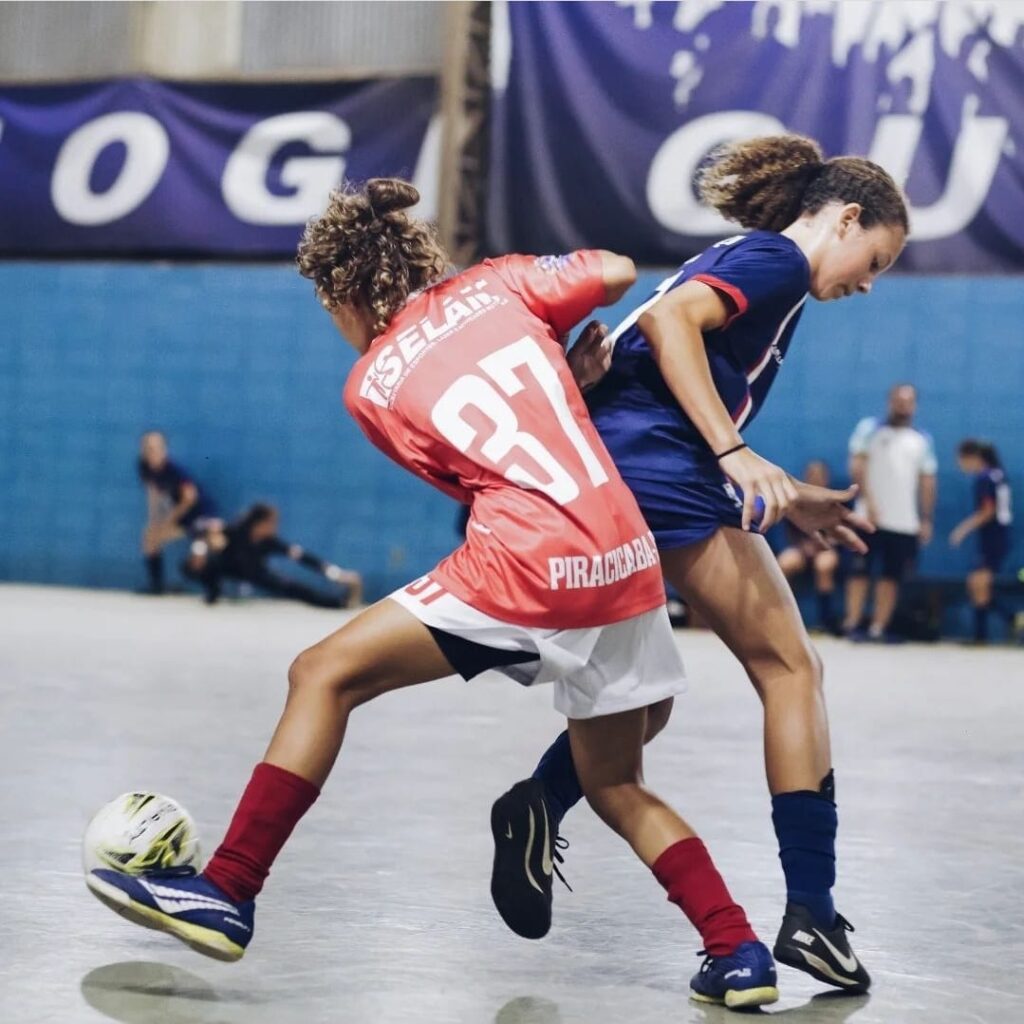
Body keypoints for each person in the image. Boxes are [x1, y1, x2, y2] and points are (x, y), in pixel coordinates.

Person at [87, 179, 783, 1010]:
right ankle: (738, 950)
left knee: (324, 674)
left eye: (328, 308)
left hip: (527, 559)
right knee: (615, 781)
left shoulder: (369, 387)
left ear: (346, 292)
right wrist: (563, 361)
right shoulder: (500, 283)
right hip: (625, 553)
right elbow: (616, 269)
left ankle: (230, 890)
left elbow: (471, 476)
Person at [494, 134, 907, 994]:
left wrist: (790, 491)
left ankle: (535, 805)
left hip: (622, 474)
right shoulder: (778, 262)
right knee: (791, 668)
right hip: (662, 477)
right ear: (846, 217)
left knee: (646, 710)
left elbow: (647, 366)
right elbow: (677, 333)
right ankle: (813, 915)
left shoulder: (735, 262)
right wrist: (735, 449)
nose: (869, 281)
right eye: (876, 259)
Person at [842, 384, 937, 641]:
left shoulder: (922, 440)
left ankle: (878, 628)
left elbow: (927, 480)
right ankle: (852, 624)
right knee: (859, 571)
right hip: (868, 517)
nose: (903, 405)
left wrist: (926, 518)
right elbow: (857, 465)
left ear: (915, 405)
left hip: (904, 521)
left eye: (908, 401)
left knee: (891, 576)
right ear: (890, 401)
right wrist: (868, 501)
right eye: (898, 400)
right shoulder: (869, 429)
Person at [184, 503, 363, 609]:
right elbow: (199, 527)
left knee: (293, 587)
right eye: (272, 523)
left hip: (255, 573)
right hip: (226, 567)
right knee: (199, 566)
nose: (275, 526)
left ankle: (338, 603)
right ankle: (212, 593)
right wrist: (199, 549)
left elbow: (303, 558)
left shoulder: (271, 542)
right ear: (259, 523)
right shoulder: (234, 530)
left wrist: (336, 573)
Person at [137, 430, 220, 594]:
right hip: (182, 517)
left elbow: (190, 498)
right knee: (150, 537)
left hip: (201, 514)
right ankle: (157, 586)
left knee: (212, 545)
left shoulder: (175, 469)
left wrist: (170, 520)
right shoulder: (145, 467)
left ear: (164, 449)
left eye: (155, 448)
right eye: (147, 447)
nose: (151, 451)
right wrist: (154, 521)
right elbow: (153, 494)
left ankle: (219, 585)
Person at [950, 440, 1013, 643]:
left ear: (973, 457)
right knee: (977, 583)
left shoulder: (985, 478)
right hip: (999, 535)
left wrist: (962, 529)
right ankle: (989, 629)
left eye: (961, 460)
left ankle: (986, 632)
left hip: (993, 536)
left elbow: (987, 511)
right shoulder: (998, 474)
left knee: (980, 583)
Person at [776, 461, 842, 635]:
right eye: (812, 475)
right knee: (784, 563)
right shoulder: (796, 501)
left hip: (827, 549)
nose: (816, 478)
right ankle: (782, 617)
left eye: (820, 475)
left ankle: (825, 620)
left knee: (824, 565)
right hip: (802, 549)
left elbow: (841, 532)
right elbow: (791, 531)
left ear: (826, 478)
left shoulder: (835, 501)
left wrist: (825, 544)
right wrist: (804, 547)